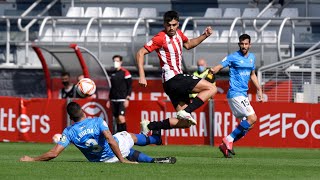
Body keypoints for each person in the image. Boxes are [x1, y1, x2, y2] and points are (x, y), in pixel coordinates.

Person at [136, 10, 217, 133]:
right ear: (164, 25)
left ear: (178, 24)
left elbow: (189, 44)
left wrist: (204, 35)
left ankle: (150, 126)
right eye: (169, 25)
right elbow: (140, 52)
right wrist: (142, 75)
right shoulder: (160, 38)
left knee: (185, 123)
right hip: (173, 78)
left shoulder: (179, 34)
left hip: (172, 84)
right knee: (211, 88)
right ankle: (186, 111)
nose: (171, 28)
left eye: (174, 25)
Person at [20, 102, 176, 164]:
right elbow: (110, 140)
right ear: (82, 111)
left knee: (126, 147)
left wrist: (32, 159)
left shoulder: (68, 132)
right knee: (126, 136)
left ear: (70, 117)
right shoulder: (97, 121)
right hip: (115, 154)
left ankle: (151, 161)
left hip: (100, 161)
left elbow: (53, 154)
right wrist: (122, 160)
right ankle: (155, 138)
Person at [210, 34, 264, 158]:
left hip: (243, 95)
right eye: (242, 44)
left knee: (250, 125)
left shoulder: (252, 58)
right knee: (253, 118)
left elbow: (252, 75)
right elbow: (220, 65)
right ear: (239, 44)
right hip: (235, 93)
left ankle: (226, 145)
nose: (244, 46)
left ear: (250, 45)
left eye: (246, 44)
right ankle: (228, 139)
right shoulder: (233, 57)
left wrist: (259, 89)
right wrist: (214, 70)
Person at [106, 55, 132, 133]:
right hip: (114, 99)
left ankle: (125, 136)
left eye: (117, 61)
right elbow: (112, 87)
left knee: (121, 118)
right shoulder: (112, 73)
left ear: (121, 62)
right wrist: (109, 99)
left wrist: (127, 98)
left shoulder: (125, 72)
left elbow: (129, 86)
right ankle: (120, 136)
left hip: (122, 99)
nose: (115, 63)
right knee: (117, 119)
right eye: (114, 61)